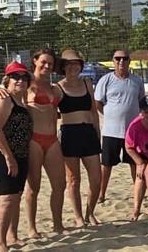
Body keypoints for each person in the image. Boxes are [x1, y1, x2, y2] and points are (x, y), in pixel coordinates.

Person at [0, 48, 66, 237]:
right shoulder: (26, 83)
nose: (47, 66)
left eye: (50, 63)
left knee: (60, 184)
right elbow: (9, 96)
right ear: (35, 61)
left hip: (52, 139)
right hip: (34, 140)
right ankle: (32, 227)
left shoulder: (54, 88)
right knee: (33, 187)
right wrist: (0, 91)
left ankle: (57, 224)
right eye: (43, 61)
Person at [0, 62, 33, 252]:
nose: (20, 80)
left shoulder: (22, 100)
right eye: (16, 77)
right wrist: (8, 157)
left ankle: (12, 235)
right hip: (1, 153)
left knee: (16, 197)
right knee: (7, 199)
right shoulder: (4, 99)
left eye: (24, 77)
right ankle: (0, 243)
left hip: (20, 154)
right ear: (7, 80)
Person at [94, 48, 145, 205]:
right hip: (111, 131)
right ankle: (101, 194)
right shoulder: (106, 80)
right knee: (107, 165)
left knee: (135, 164)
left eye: (124, 58)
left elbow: (141, 101)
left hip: (132, 132)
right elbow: (98, 103)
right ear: (113, 61)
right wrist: (112, 115)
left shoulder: (137, 81)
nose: (121, 61)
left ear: (129, 61)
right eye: (118, 58)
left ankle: (138, 192)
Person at [57, 48, 102, 227]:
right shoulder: (58, 87)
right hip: (69, 133)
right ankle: (78, 217)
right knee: (73, 179)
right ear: (63, 67)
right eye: (68, 64)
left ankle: (90, 212)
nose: (72, 67)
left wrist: (97, 132)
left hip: (88, 132)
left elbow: (93, 110)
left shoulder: (87, 84)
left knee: (96, 178)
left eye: (76, 63)